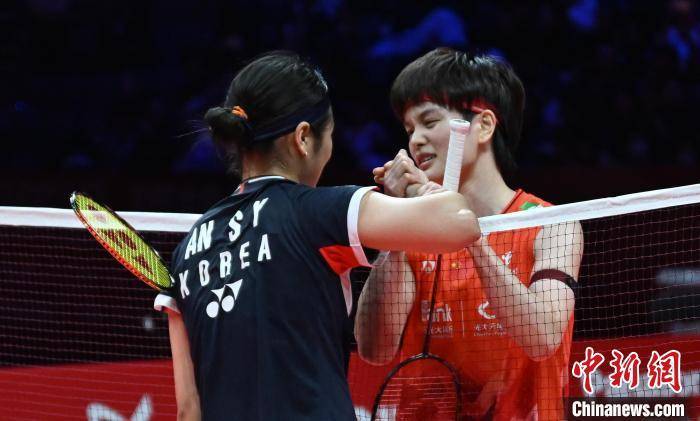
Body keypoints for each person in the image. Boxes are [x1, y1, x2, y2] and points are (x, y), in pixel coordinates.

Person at [153, 51, 481, 421]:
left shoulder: (187, 249)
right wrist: (414, 190)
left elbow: (188, 410)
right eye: (330, 135)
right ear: (304, 138)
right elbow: (460, 222)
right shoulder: (318, 212)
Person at [355, 48, 584, 420]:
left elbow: (542, 338)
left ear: (484, 125)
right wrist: (397, 225)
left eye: (429, 121)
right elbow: (375, 349)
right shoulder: (414, 236)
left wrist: (467, 232)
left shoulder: (550, 224)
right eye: (410, 129)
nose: (415, 141)